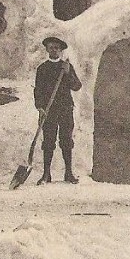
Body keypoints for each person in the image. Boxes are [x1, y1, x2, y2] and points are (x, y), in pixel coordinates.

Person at [34, 36, 83, 184]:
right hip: (49, 110)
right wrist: (40, 107)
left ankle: (68, 173)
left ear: (60, 50)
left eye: (56, 48)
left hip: (65, 108)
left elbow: (77, 86)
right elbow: (38, 90)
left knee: (66, 140)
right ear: (47, 49)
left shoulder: (66, 67)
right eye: (51, 47)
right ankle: (46, 174)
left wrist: (68, 73)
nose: (53, 50)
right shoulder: (42, 68)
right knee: (48, 141)